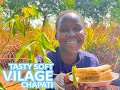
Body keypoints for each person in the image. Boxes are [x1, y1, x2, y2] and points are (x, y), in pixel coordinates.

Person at [36, 10, 101, 90]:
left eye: (77, 28)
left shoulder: (91, 62)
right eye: (64, 29)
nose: (71, 34)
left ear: (85, 34)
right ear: (56, 35)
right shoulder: (41, 63)